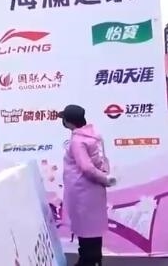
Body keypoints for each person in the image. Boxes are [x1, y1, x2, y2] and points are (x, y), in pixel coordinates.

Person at [60, 104, 115, 266]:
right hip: (94, 190)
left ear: (69, 122)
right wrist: (105, 177)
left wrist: (105, 179)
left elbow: (86, 167)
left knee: (85, 229)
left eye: (64, 119)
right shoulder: (95, 136)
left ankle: (87, 261)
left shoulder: (77, 141)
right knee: (94, 229)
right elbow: (103, 161)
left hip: (82, 192)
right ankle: (94, 260)